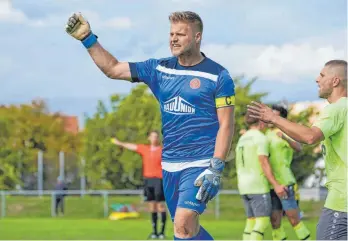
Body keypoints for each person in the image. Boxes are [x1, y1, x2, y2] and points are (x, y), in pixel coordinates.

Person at [65, 11, 235, 240]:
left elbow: (226, 124)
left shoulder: (219, 76)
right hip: (170, 165)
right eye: (171, 34)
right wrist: (88, 39)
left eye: (180, 34)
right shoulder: (159, 69)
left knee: (183, 224)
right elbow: (113, 69)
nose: (173, 39)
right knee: (185, 231)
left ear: (197, 37)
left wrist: (216, 166)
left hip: (200, 163)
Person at [247, 59, 347, 240]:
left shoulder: (336, 109)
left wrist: (273, 118)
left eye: (322, 75)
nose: (317, 79)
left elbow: (309, 136)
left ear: (335, 81)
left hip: (341, 201)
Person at [236, 113, 287, 240]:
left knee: (251, 222)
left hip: (243, 185)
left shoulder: (242, 138)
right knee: (262, 222)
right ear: (261, 122)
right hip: (257, 185)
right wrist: (275, 185)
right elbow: (263, 161)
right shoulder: (260, 138)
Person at [111, 131, 167, 239]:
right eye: (153, 136)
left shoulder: (162, 150)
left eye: (156, 136)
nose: (154, 138)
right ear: (149, 138)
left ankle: (162, 232)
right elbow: (132, 146)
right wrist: (119, 143)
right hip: (148, 180)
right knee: (152, 205)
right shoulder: (144, 149)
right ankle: (154, 232)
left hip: (159, 180)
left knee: (160, 205)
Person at [266, 104, 311, 240]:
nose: (271, 118)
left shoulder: (284, 133)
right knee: (274, 221)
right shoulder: (266, 134)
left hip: (285, 182)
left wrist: (285, 138)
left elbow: (299, 147)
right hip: (271, 184)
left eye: (275, 115)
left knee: (293, 219)